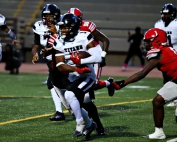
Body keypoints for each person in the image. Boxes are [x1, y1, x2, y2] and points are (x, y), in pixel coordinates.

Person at [112, 28, 177, 139]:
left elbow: (142, 73)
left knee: (160, 102)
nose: (146, 44)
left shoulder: (158, 53)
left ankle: (159, 133)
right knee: (157, 101)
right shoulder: (167, 49)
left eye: (148, 41)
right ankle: (159, 133)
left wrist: (123, 83)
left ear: (156, 40)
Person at [50, 13, 101, 139]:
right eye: (61, 27)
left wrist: (80, 62)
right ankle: (89, 124)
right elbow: (60, 65)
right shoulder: (59, 42)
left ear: (73, 27)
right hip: (73, 76)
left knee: (75, 97)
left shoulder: (84, 37)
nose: (62, 30)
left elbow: (98, 57)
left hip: (87, 75)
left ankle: (80, 122)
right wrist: (75, 68)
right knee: (71, 98)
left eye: (65, 27)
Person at [68, 7, 113, 135]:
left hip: (92, 60)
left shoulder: (87, 28)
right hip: (76, 65)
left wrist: (102, 56)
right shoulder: (64, 33)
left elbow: (105, 40)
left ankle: (96, 126)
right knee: (78, 97)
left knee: (86, 96)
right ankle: (109, 83)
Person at [31, 4, 65, 121]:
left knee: (53, 83)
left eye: (50, 16)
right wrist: (35, 54)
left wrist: (56, 32)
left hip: (62, 58)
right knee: (57, 84)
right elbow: (35, 46)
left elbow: (66, 43)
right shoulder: (38, 26)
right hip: (49, 59)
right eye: (46, 16)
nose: (48, 18)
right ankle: (67, 109)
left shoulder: (62, 25)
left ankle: (62, 111)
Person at [154, 3, 177, 107]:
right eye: (163, 14)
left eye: (167, 14)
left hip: (175, 54)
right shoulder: (158, 24)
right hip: (165, 56)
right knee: (166, 78)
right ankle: (170, 98)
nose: (164, 16)